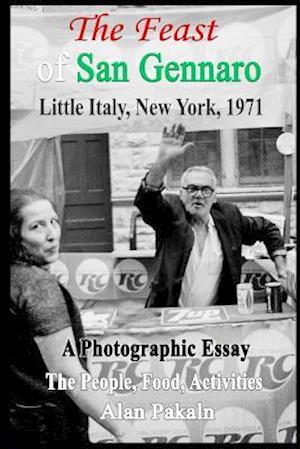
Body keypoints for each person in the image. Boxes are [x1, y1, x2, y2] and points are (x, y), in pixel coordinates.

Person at [9, 188, 141, 448]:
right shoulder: (36, 285)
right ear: (15, 235)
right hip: (47, 427)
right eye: (37, 226)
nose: (52, 234)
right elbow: (69, 376)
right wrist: (124, 430)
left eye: (54, 221)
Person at [134, 124, 288, 307]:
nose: (198, 195)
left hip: (215, 319)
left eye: (206, 189)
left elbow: (267, 227)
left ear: (215, 197)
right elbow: (148, 200)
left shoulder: (229, 217)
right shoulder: (171, 214)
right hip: (168, 316)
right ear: (181, 194)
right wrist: (163, 161)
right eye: (191, 189)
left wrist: (281, 266)